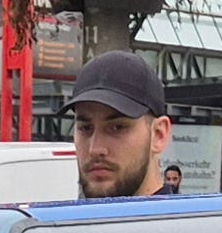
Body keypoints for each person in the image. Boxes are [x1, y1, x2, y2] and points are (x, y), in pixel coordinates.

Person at [63, 51, 174, 202]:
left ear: (159, 135)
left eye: (117, 127)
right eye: (85, 128)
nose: (95, 149)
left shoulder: (192, 218)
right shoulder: (58, 217)